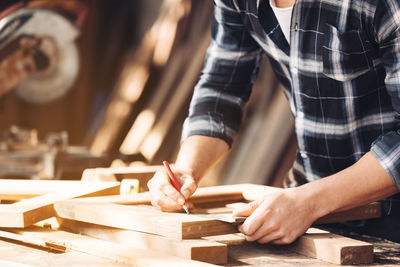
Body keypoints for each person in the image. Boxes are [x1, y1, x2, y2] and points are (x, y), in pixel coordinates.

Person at [147, 0, 400, 244]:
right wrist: (186, 169)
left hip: (390, 218)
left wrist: (309, 202)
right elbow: (222, 88)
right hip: (310, 211)